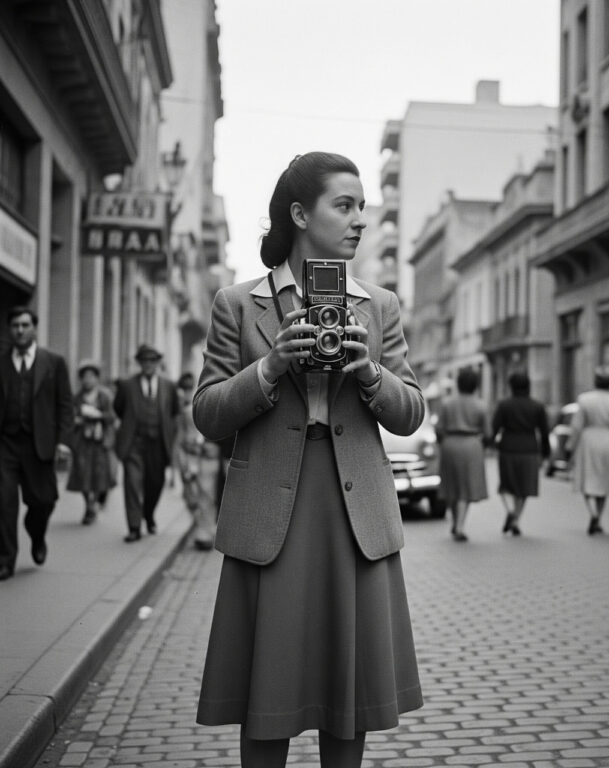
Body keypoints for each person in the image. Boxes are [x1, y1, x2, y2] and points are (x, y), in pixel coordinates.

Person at [193, 152, 424, 768]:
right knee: (266, 692)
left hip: (355, 513)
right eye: (344, 206)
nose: (359, 221)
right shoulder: (238, 303)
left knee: (350, 695)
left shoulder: (379, 305)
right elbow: (208, 414)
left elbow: (410, 413)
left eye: (362, 208)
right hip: (271, 511)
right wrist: (269, 366)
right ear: (300, 214)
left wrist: (369, 372)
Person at [0, 306, 73, 581]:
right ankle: (5, 560)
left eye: (25, 325)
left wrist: (63, 441)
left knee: (43, 501)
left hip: (38, 444)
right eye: (15, 326)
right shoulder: (1, 361)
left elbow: (65, 404)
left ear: (34, 328)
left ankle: (37, 533)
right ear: (9, 330)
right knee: (4, 503)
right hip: (5, 444)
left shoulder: (54, 362)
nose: (20, 330)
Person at [114, 344, 179, 542]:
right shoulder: (127, 385)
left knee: (155, 483)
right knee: (132, 483)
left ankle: (148, 514)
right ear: (139, 363)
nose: (148, 364)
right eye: (144, 361)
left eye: (152, 361)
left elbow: (174, 412)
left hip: (158, 443)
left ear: (158, 363)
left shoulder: (169, 386)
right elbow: (118, 408)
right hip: (134, 443)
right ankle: (134, 527)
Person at [566, 365, 609, 535]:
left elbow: (576, 426)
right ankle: (598, 517)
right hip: (608, 441)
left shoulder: (585, 399)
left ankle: (593, 513)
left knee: (587, 479)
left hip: (589, 440)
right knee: (604, 480)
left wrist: (570, 446)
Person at [490, 370, 550, 536]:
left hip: (508, 448)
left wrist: (490, 443)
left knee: (506, 486)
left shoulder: (504, 405)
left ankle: (510, 511)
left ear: (511, 386)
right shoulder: (537, 406)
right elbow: (544, 432)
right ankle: (516, 519)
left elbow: (494, 428)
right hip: (530, 450)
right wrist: (545, 453)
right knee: (524, 488)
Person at [436, 367, 489, 542]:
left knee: (452, 485)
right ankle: (459, 526)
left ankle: (455, 521)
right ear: (475, 385)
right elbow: (488, 433)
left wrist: (443, 443)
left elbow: (439, 429)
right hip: (471, 446)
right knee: (466, 487)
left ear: (458, 384)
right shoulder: (481, 405)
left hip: (449, 445)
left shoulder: (447, 403)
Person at [67, 360, 116, 525]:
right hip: (82, 441)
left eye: (91, 376)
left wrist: (99, 415)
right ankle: (89, 504)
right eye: (85, 377)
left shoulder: (104, 396)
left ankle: (95, 501)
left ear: (96, 378)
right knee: (83, 474)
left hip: (100, 441)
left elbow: (112, 417)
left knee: (99, 474)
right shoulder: (77, 398)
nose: (88, 380)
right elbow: (70, 418)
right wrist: (78, 420)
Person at [174, 372, 218, 551]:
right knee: (189, 495)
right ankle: (201, 526)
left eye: (189, 387)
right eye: (184, 388)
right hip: (188, 455)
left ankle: (205, 532)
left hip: (206, 456)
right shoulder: (180, 409)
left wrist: (209, 445)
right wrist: (179, 460)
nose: (186, 391)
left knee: (206, 494)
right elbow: (179, 436)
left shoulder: (205, 402)